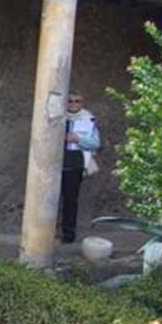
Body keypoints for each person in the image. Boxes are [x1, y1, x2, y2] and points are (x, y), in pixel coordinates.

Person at [60, 92, 100, 243]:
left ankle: (68, 234)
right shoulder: (58, 117)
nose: (73, 104)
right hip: (53, 164)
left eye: (77, 101)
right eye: (70, 101)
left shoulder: (88, 119)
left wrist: (78, 139)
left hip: (74, 164)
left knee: (70, 200)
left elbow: (95, 143)